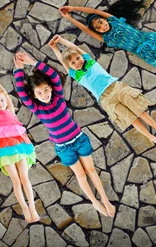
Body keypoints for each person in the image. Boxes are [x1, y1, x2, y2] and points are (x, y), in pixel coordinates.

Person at [14, 51, 115, 217]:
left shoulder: (58, 96)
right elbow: (22, 93)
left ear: (51, 88)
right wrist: (18, 70)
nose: (44, 95)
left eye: (46, 90)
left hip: (79, 139)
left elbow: (53, 75)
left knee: (91, 170)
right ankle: (95, 202)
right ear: (34, 96)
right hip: (63, 147)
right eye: (39, 93)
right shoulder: (37, 109)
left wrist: (33, 62)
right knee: (80, 174)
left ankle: (105, 199)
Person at [50, 35, 156, 146]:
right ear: (70, 66)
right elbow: (62, 60)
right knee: (132, 119)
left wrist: (61, 40)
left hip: (115, 87)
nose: (77, 62)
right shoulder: (75, 74)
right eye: (73, 62)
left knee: (139, 111)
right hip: (105, 99)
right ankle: (152, 138)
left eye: (77, 58)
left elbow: (74, 47)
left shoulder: (88, 60)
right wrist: (54, 47)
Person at [0, 69, 38, 223]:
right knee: (16, 179)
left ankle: (32, 207)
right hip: (3, 152)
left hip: (19, 147)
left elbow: (5, 94)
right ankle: (24, 208)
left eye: (1, 100)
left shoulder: (11, 111)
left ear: (6, 101)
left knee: (25, 178)